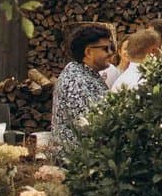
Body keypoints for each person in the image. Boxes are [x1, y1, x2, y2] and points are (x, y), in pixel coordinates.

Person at [48, 24, 115, 159]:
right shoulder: (75, 81)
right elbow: (88, 125)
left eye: (111, 47)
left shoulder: (86, 73)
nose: (111, 53)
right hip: (76, 163)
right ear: (88, 52)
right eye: (105, 48)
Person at [109, 25, 162, 91]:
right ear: (153, 51)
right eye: (160, 48)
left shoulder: (120, 81)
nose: (161, 52)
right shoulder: (148, 83)